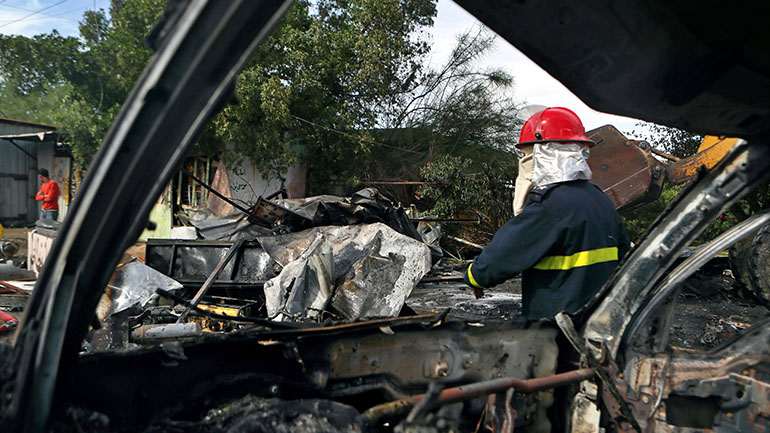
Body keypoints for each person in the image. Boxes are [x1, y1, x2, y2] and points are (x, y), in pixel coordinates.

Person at [464, 107, 630, 320]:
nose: (524, 162)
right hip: (598, 319)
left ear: (544, 155)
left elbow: (504, 252)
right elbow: (624, 253)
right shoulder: (599, 199)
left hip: (556, 327)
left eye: (527, 155)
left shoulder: (549, 206)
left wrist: (475, 276)